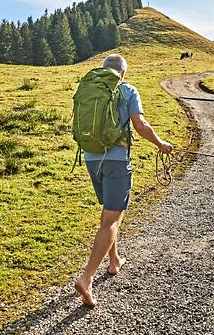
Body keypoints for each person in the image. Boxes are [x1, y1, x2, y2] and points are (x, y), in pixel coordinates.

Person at [74, 53, 173, 307]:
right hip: (116, 160)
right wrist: (161, 144)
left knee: (109, 213)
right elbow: (139, 125)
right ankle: (87, 278)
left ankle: (114, 261)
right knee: (112, 219)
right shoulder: (127, 89)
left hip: (91, 159)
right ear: (123, 73)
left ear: (103, 70)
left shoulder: (89, 87)